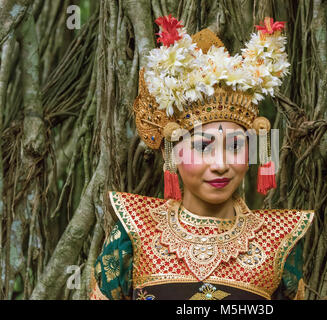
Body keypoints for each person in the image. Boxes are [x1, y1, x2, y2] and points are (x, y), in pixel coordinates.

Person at [89, 15, 314, 300]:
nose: (220, 165)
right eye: (203, 147)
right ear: (173, 151)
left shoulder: (279, 240)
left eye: (235, 147)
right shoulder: (134, 231)